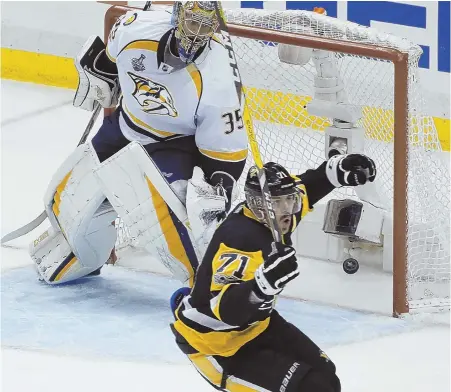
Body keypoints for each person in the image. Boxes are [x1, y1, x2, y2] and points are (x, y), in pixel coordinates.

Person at [29, 2, 248, 287]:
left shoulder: (218, 81)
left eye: (206, 27)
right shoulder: (134, 28)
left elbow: (226, 159)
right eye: (193, 24)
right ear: (177, 18)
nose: (197, 36)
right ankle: (84, 254)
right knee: (69, 196)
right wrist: (102, 80)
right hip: (125, 127)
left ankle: (209, 284)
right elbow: (108, 64)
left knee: (169, 218)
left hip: (174, 146)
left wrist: (213, 202)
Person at [170, 153, 376, 392]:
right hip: (217, 346)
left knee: (324, 375)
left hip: (257, 327)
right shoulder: (240, 238)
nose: (288, 210)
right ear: (259, 205)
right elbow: (226, 311)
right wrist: (262, 284)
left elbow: (309, 185)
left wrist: (337, 170)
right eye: (279, 203)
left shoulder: (277, 214)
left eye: (290, 201)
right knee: (309, 388)